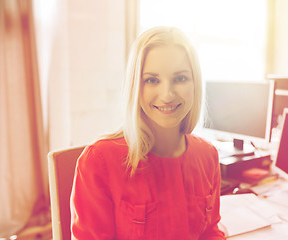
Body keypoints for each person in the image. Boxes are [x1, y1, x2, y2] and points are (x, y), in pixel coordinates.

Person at [70, 26, 225, 240]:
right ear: (136, 85)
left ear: (195, 84)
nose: (167, 95)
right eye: (152, 80)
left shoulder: (208, 155)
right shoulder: (98, 162)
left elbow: (210, 232)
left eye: (180, 78)